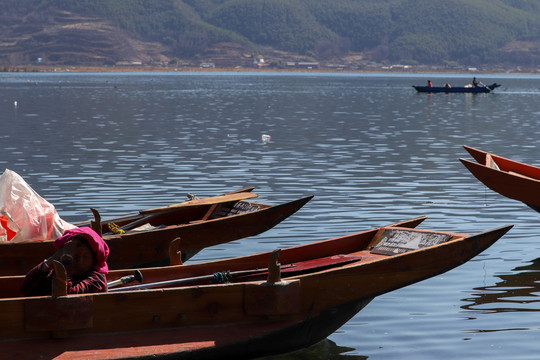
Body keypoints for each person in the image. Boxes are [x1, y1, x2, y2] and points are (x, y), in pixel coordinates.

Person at [21, 227, 109, 296]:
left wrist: (67, 260)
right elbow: (26, 289)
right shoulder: (55, 272)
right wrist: (53, 258)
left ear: (93, 260)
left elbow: (69, 295)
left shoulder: (97, 279)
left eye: (86, 257)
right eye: (76, 255)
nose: (80, 261)